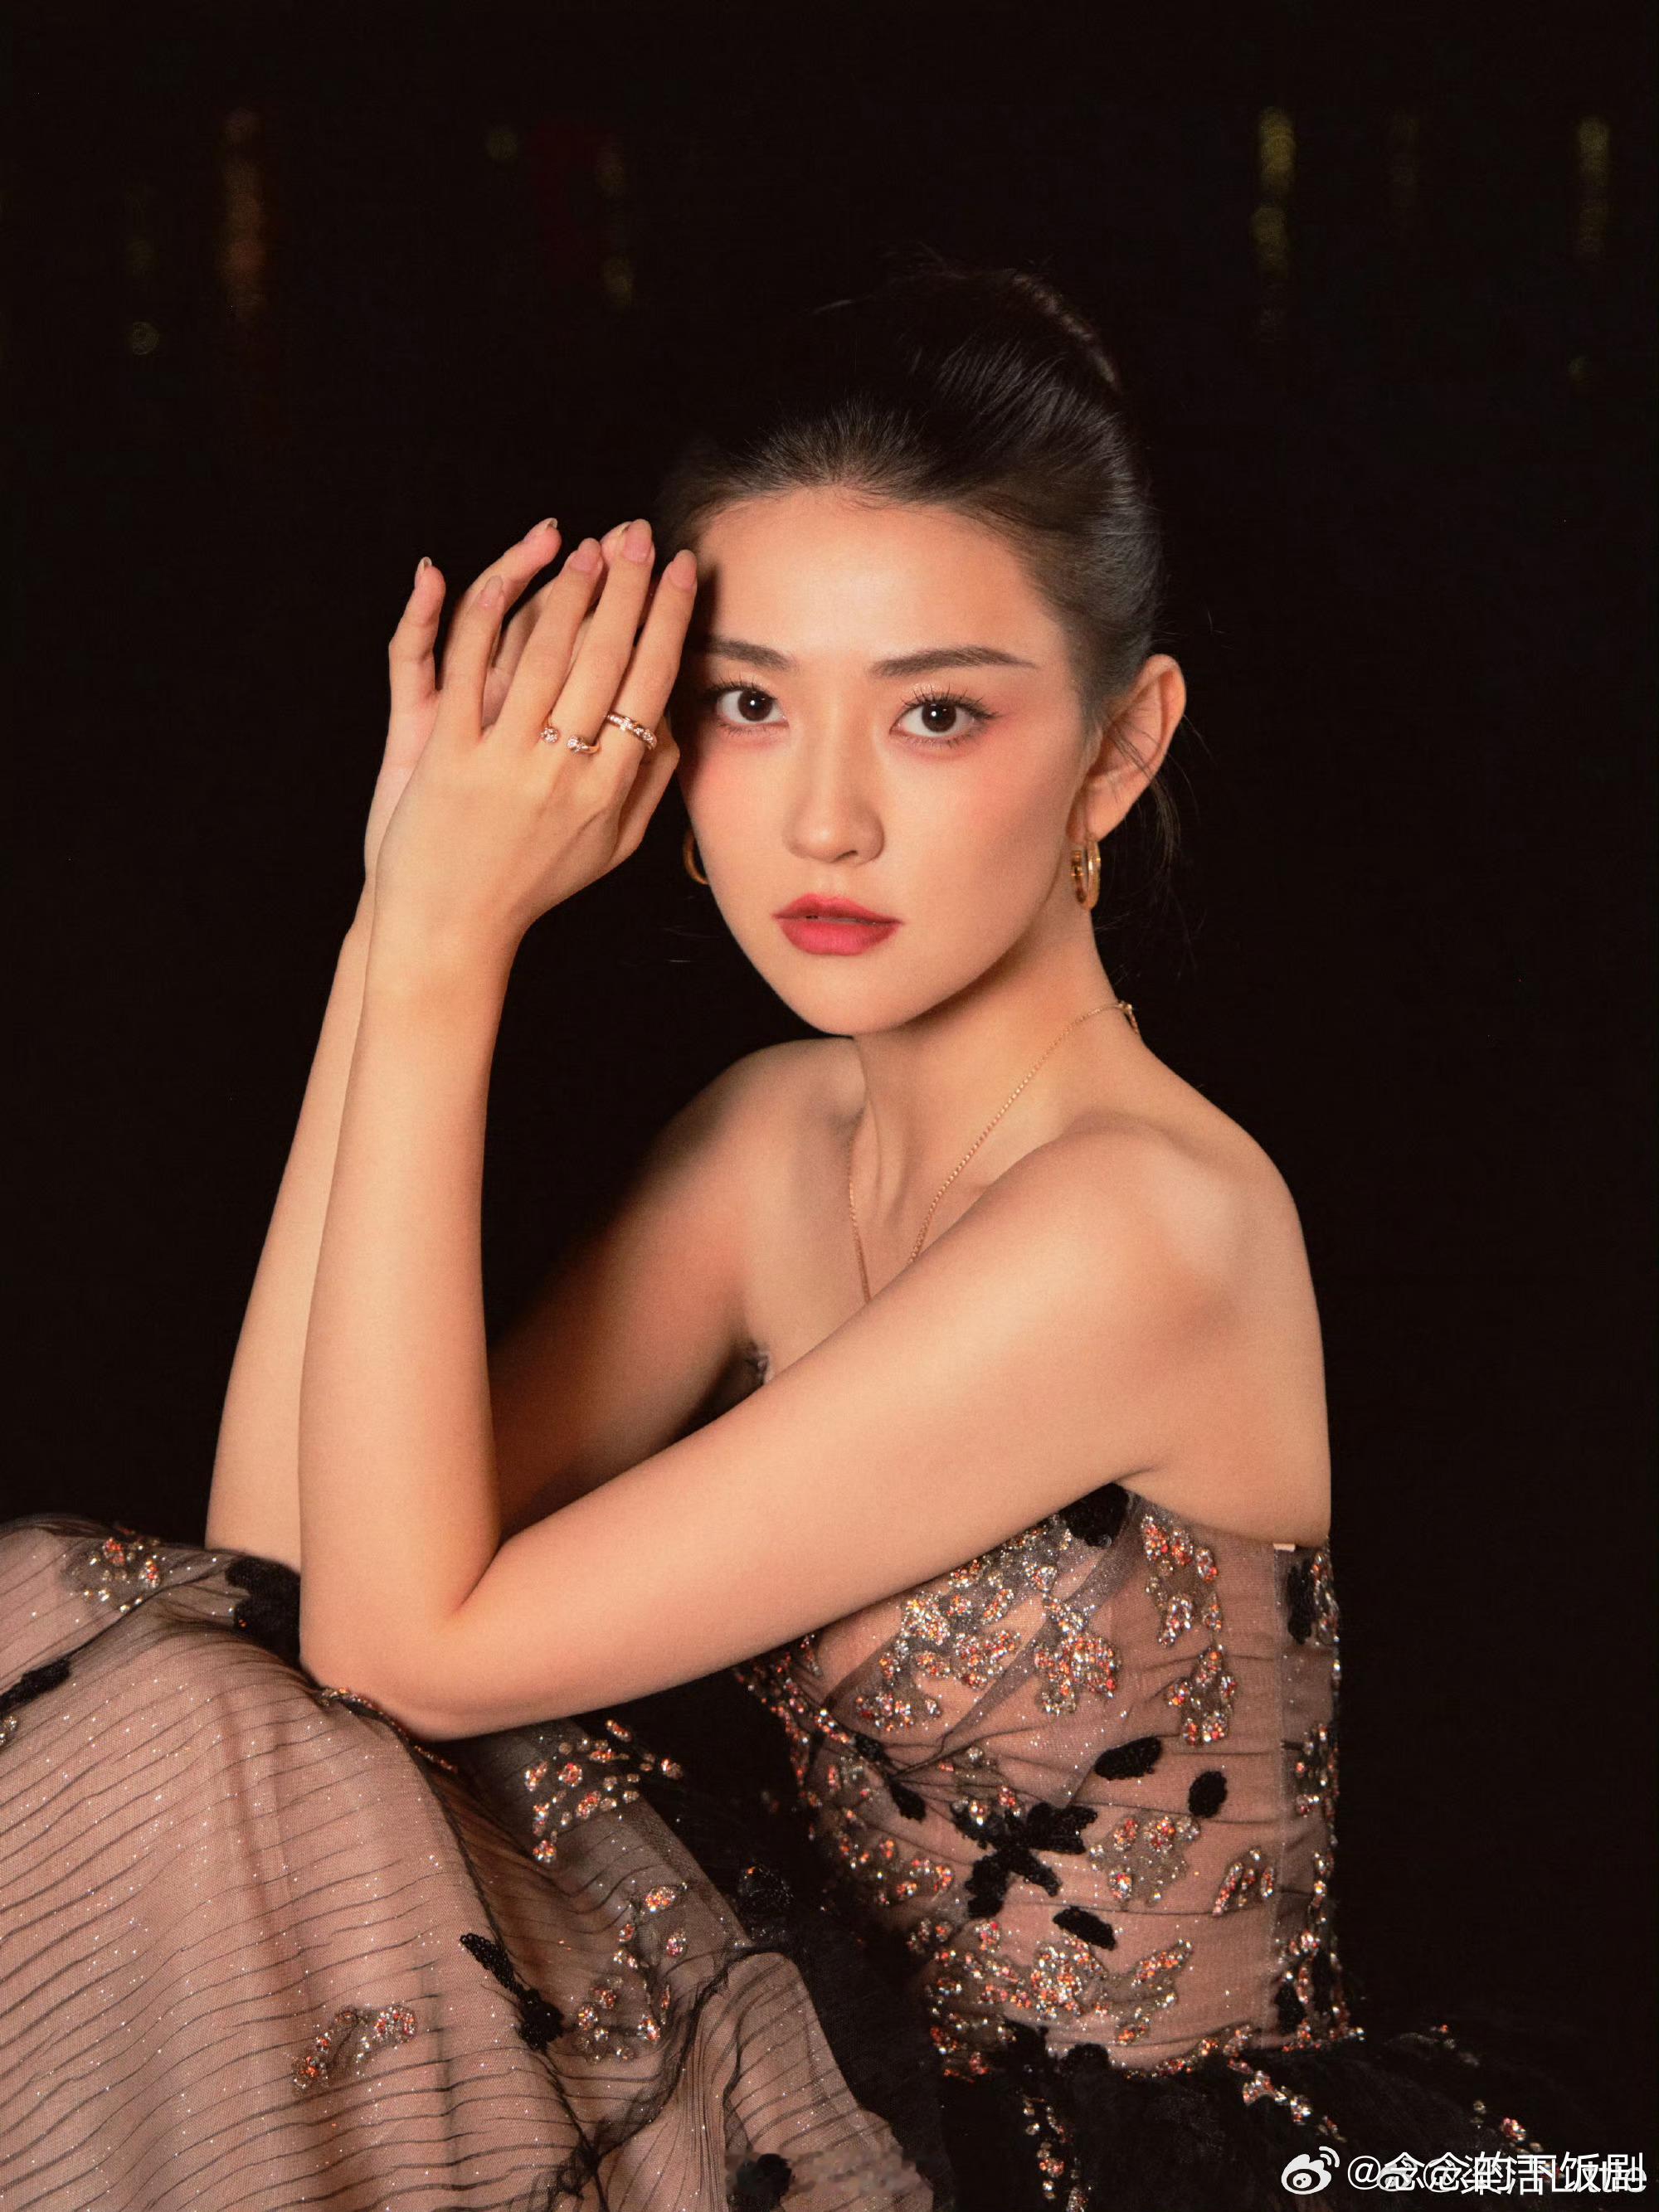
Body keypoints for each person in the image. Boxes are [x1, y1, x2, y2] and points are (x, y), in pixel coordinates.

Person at [0, 260, 1591, 2212]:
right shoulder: (777, 1139)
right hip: (852, 2126)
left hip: (1120, 2172)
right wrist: (395, 914)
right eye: (751, 704)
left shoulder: (1148, 1224)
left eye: (936, 713)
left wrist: (447, 956)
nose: (824, 819)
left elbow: (401, 1645)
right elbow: (279, 1588)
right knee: (162, 1700)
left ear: (1119, 748)